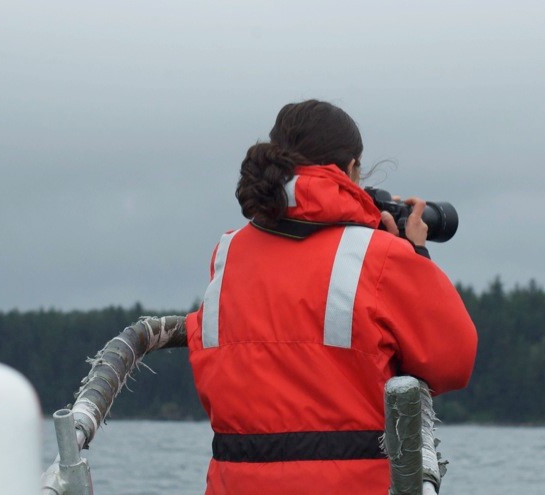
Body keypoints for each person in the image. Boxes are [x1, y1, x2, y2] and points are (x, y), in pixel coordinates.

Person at [185, 100, 477, 494]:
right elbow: (453, 362)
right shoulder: (375, 256)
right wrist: (414, 254)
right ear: (352, 169)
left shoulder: (227, 253)